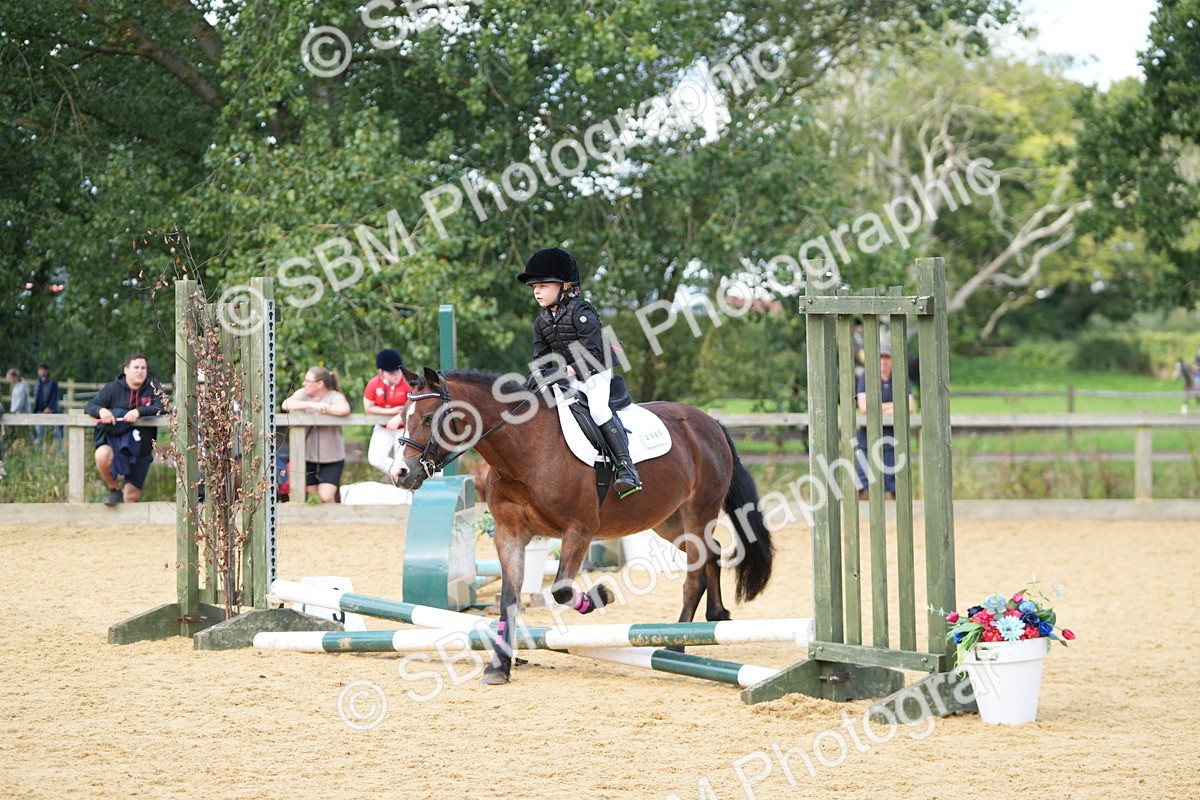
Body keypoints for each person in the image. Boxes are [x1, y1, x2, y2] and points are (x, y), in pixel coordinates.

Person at [517, 246, 642, 498]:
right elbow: (541, 359)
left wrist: (565, 371)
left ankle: (626, 468)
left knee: (597, 409)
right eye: (534, 287)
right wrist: (534, 379)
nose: (537, 291)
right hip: (571, 375)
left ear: (564, 285)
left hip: (596, 371)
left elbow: (594, 356)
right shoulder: (542, 321)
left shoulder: (582, 312)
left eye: (543, 285)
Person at [85, 354, 167, 505]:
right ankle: (114, 488)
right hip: (114, 443)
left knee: (132, 497)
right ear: (126, 370)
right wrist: (102, 411)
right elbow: (91, 406)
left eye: (143, 368)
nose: (140, 371)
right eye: (136, 367)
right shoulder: (112, 388)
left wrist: (139, 412)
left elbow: (163, 408)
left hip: (141, 448)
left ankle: (127, 526)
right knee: (101, 455)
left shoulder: (153, 388)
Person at [281, 366, 351, 503]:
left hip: (332, 457)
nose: (304, 384)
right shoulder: (304, 394)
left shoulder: (334, 396)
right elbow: (286, 404)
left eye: (308, 381)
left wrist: (327, 409)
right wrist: (311, 405)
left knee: (326, 496)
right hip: (308, 456)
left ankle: (332, 522)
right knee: (312, 497)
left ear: (320, 384)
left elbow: (344, 409)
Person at [855, 340, 913, 501]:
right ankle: (860, 519)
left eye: (887, 357)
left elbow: (909, 406)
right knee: (861, 482)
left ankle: (896, 520)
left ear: (892, 360)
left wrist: (877, 407)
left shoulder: (900, 378)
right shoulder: (867, 377)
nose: (883, 361)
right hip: (867, 439)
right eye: (880, 357)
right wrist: (895, 406)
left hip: (893, 439)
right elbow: (864, 407)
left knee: (895, 484)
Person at [363, 348, 412, 477]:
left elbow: (416, 407)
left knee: (402, 459)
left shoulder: (409, 383)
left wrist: (399, 417)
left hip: (404, 428)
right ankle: (402, 473)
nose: (396, 375)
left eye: (397, 371)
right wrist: (390, 411)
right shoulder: (374, 383)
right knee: (375, 458)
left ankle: (406, 483)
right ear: (381, 372)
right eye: (391, 373)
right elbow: (368, 408)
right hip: (383, 427)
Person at [32, 363, 63, 449]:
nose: (41, 371)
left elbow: (55, 397)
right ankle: (40, 451)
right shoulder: (37, 383)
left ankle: (59, 450)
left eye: (43, 369)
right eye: (39, 369)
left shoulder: (53, 383)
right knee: (39, 433)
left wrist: (50, 407)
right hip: (39, 411)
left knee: (56, 431)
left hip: (52, 411)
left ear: (47, 371)